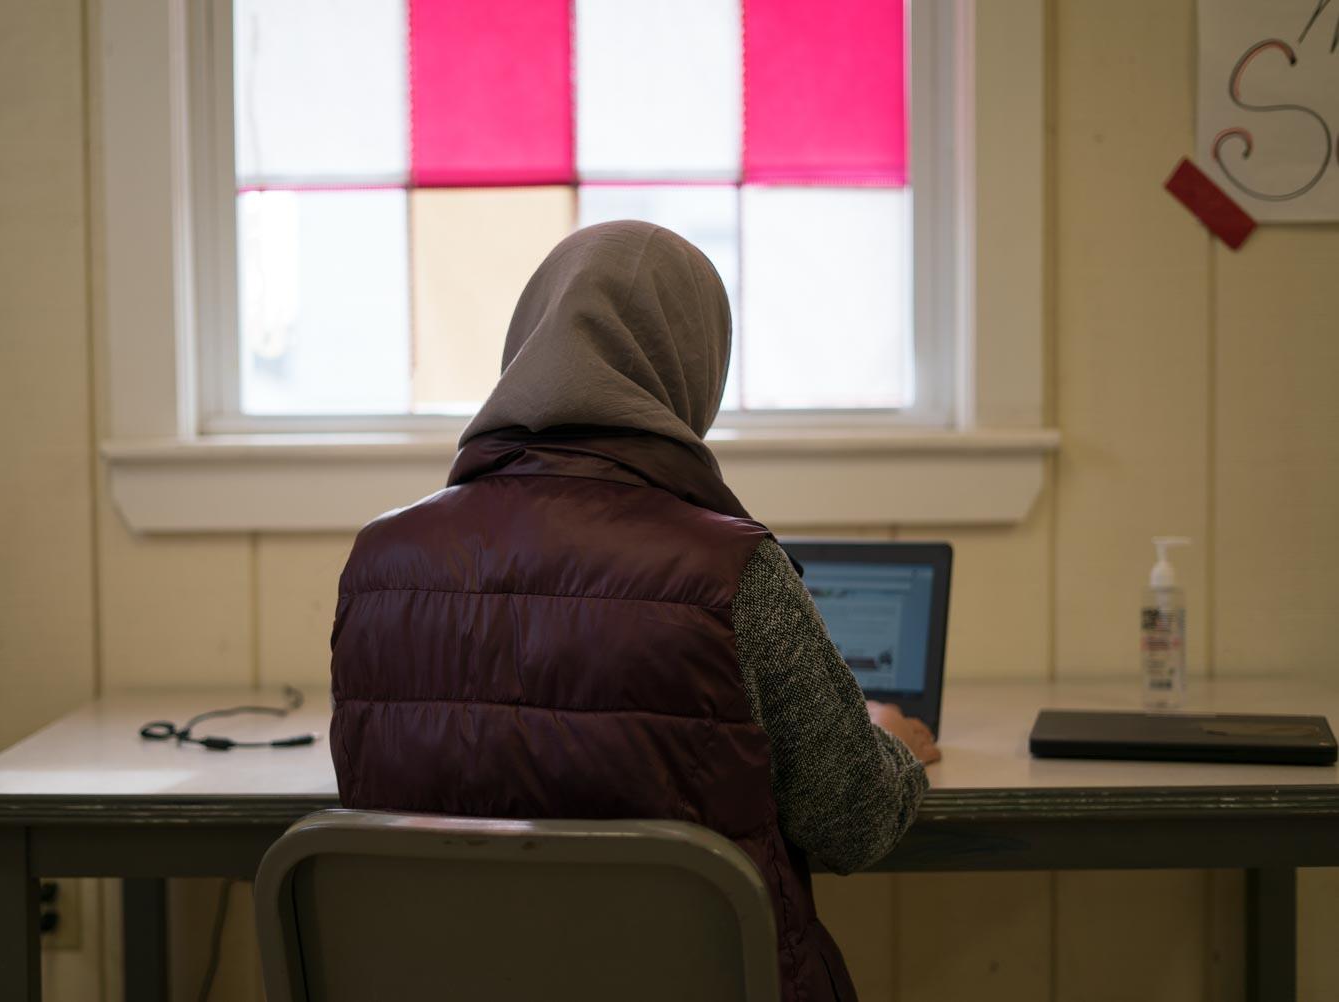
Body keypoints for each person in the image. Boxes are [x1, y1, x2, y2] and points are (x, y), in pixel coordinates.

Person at [329, 221, 937, 1002]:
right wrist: (890, 744)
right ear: (692, 368)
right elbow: (853, 821)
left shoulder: (379, 565)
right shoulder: (730, 572)